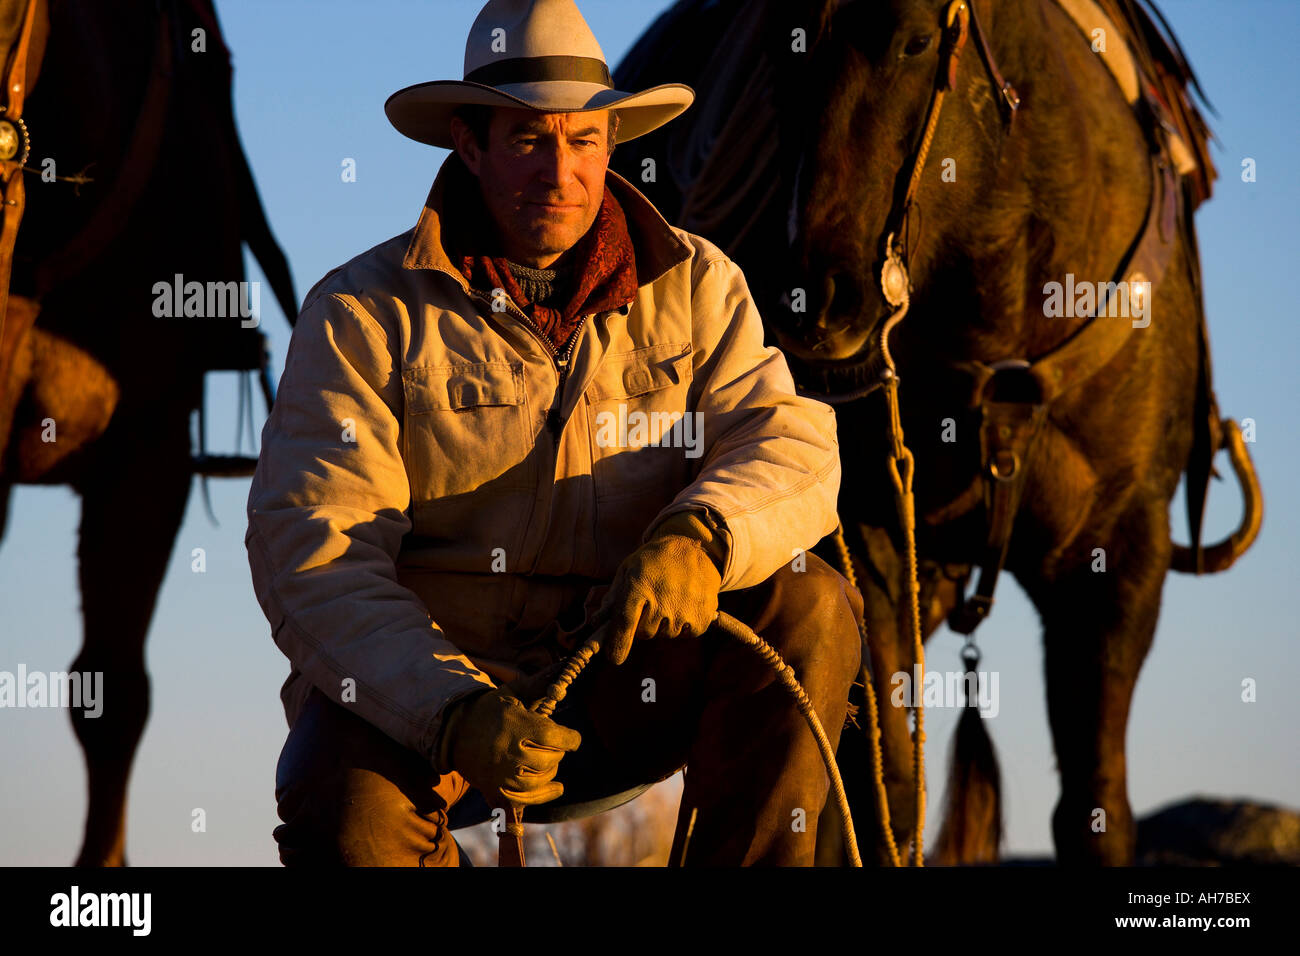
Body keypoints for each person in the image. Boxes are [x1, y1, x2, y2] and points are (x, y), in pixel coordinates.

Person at [245, 0, 863, 867]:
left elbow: (790, 443)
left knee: (812, 603)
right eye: (530, 141)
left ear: (611, 144)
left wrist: (702, 536)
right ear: (469, 144)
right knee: (337, 809)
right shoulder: (361, 315)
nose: (561, 173)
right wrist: (451, 708)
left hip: (629, 684)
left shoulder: (701, 289)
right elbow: (314, 546)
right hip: (423, 695)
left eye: (582, 141)